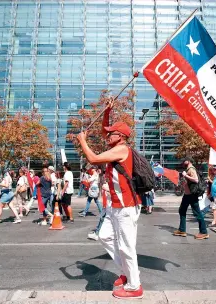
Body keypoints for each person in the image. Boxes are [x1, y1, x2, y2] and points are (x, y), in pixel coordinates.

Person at [76, 99, 143, 299]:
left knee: (126, 246)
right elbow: (105, 131)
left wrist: (82, 141)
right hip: (113, 206)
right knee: (104, 236)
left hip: (126, 206)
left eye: (112, 133)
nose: (107, 135)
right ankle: (128, 272)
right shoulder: (116, 144)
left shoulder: (122, 150)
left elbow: (94, 159)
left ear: (120, 136)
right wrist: (108, 111)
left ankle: (134, 286)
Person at [173, 159, 208, 240]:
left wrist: (185, 175)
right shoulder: (188, 169)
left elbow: (196, 180)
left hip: (191, 195)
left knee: (197, 213)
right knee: (182, 210)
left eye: (184, 161)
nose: (182, 162)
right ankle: (182, 230)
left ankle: (204, 232)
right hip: (187, 195)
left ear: (188, 161)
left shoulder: (191, 169)